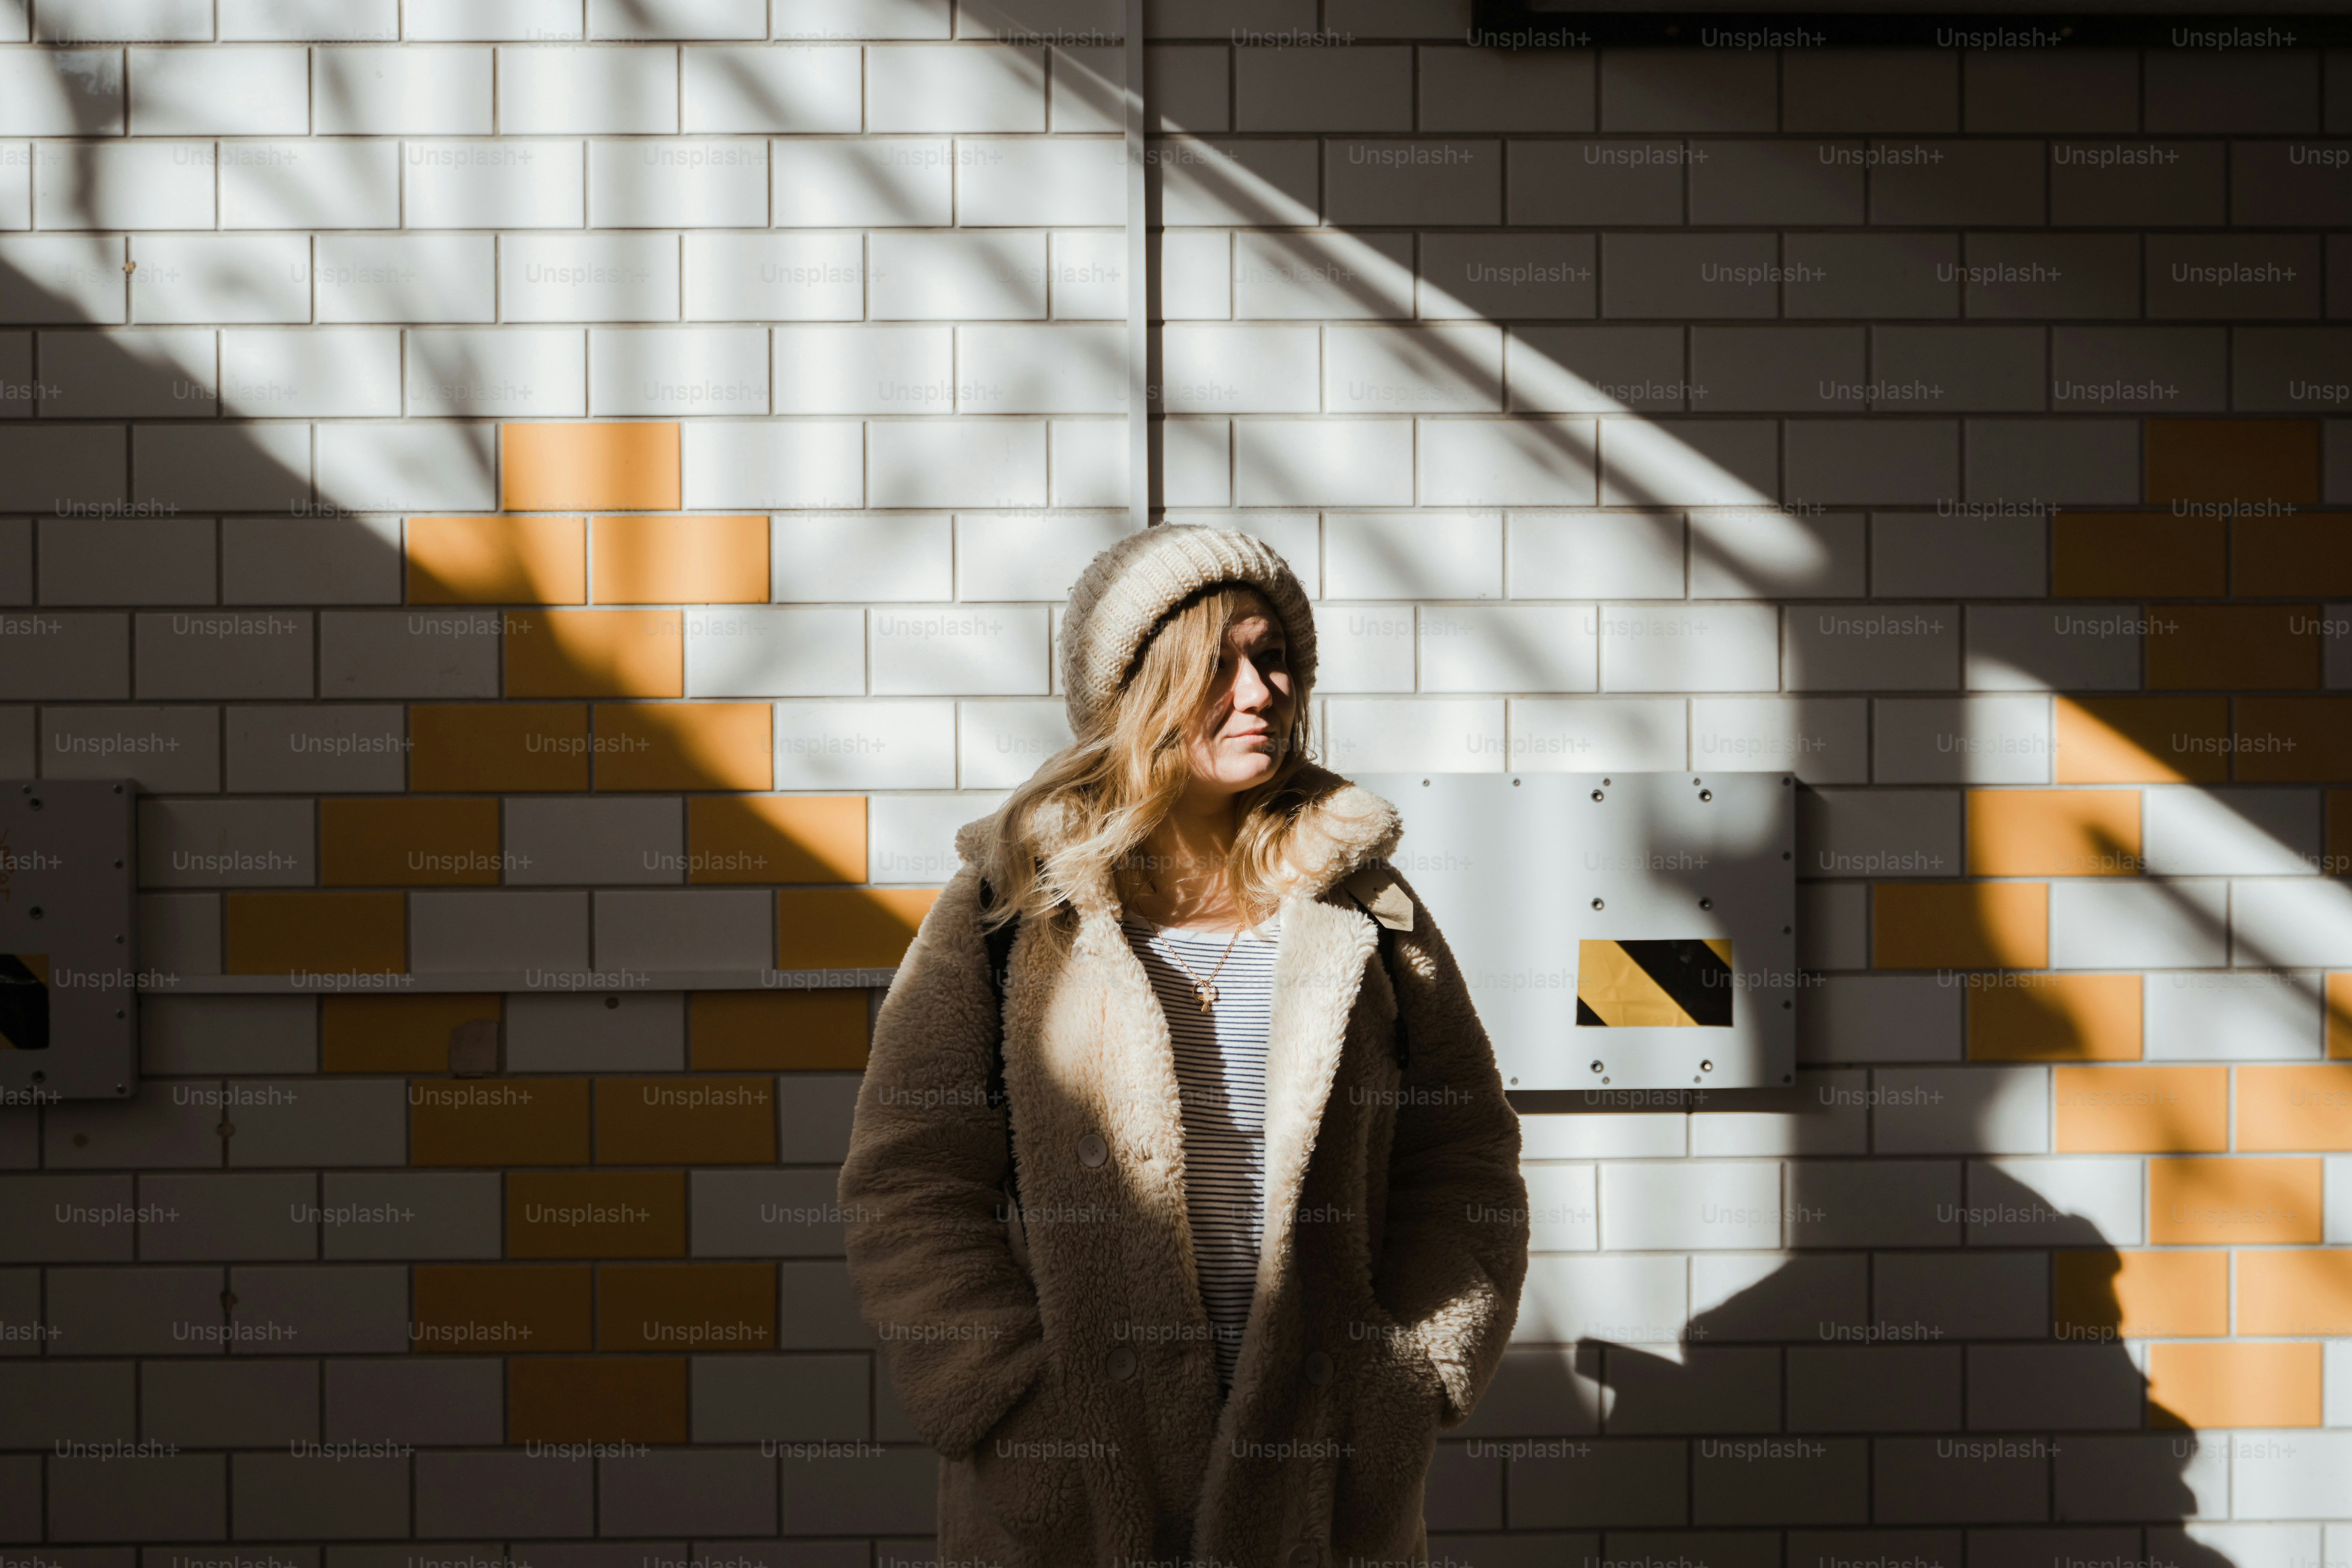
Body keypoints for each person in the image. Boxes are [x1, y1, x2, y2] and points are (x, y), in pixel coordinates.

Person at [838, 527, 1530, 1567]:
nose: (1260, 691)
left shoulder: (1366, 908)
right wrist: (1012, 1399)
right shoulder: (1009, 904)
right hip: (1075, 1486)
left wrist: (1408, 1377)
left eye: (1274, 658)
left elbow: (1464, 1157)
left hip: (1318, 1480)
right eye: (1219, 662)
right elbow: (909, 1181)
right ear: (1135, 689)